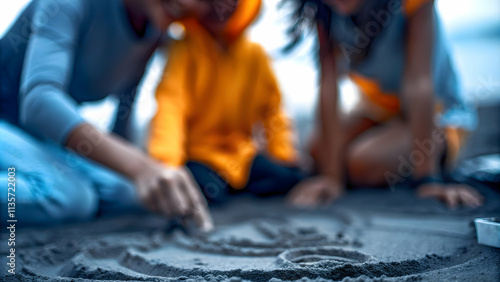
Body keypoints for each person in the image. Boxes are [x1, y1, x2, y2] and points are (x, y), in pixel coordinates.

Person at [0, 0, 214, 231]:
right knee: (70, 197)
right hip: (10, 124)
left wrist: (149, 174)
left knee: (126, 192)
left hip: (38, 139)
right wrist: (141, 167)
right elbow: (40, 102)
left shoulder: (154, 32)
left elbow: (123, 118)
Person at [285, 0, 484, 208]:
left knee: (363, 165)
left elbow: (419, 84)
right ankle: (376, 151)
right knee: (317, 151)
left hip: (435, 114)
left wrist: (427, 179)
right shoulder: (326, 8)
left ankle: (438, 149)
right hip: (380, 109)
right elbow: (328, 86)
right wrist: (331, 178)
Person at [148, 0, 308, 203]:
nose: (220, 8)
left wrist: (283, 156)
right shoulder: (184, 49)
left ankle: (238, 189)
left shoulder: (255, 55)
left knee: (288, 178)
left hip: (242, 157)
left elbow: (273, 110)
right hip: (200, 157)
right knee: (203, 187)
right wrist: (166, 163)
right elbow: (171, 107)